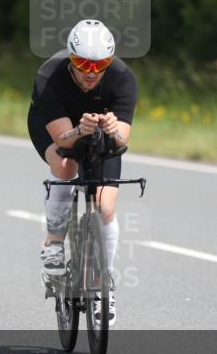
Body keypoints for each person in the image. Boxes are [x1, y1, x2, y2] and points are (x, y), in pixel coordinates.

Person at [28, 19, 138, 325]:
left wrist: (114, 130)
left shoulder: (122, 79)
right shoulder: (49, 76)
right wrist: (79, 129)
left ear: (110, 61)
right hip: (57, 127)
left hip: (100, 132)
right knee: (66, 166)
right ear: (70, 59)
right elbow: (63, 139)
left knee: (104, 206)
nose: (91, 72)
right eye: (82, 63)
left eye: (99, 64)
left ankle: (106, 284)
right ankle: (52, 244)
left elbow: (123, 137)